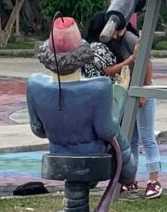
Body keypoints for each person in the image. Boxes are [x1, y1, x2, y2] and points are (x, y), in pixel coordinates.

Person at [26, 15, 136, 184]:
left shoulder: (34, 84)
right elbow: (107, 131)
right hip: (92, 156)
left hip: (56, 154)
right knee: (117, 137)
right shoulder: (99, 87)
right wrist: (120, 92)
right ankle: (128, 174)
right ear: (81, 53)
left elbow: (38, 130)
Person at [84, 12, 163, 200]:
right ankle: (130, 178)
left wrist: (144, 90)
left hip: (142, 91)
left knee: (147, 137)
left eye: (120, 30)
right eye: (115, 32)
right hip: (129, 92)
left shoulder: (129, 38)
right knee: (131, 138)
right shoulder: (106, 45)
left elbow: (147, 62)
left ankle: (153, 180)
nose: (118, 35)